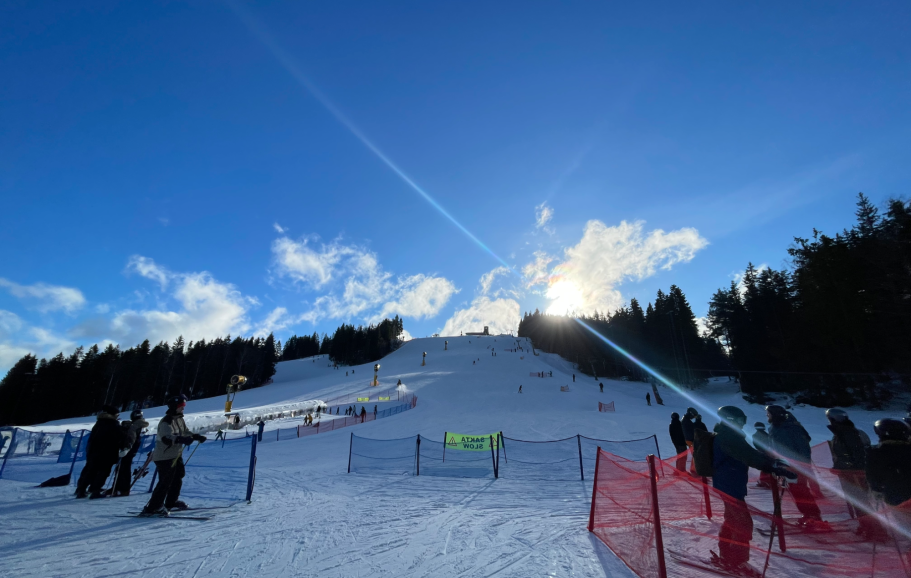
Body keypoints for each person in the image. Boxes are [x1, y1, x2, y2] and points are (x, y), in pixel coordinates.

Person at [712, 405, 791, 574]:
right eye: (741, 421)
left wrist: (771, 462)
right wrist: (771, 466)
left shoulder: (727, 433)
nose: (742, 424)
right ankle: (737, 561)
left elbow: (748, 451)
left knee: (732, 521)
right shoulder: (729, 435)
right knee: (743, 524)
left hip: (728, 484)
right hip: (730, 484)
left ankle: (727, 555)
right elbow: (747, 455)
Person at [140, 395, 206, 516]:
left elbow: (185, 432)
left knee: (178, 477)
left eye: (184, 406)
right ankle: (153, 507)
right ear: (174, 406)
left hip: (175, 455)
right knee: (165, 482)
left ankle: (171, 502)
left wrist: (195, 436)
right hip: (164, 457)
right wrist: (181, 439)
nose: (183, 408)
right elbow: (166, 438)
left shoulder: (179, 419)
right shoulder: (166, 421)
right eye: (181, 406)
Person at [766, 405, 823, 526]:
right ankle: (807, 514)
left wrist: (802, 466)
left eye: (769, 414)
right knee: (795, 491)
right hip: (784, 466)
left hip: (796, 466)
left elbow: (803, 448)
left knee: (801, 490)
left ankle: (814, 515)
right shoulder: (774, 428)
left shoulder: (791, 428)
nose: (767, 416)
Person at [75, 404, 132, 499]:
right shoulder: (113, 424)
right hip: (107, 453)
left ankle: (81, 489)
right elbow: (119, 438)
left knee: (90, 470)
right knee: (103, 472)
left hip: (93, 452)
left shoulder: (99, 423)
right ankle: (95, 490)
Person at [865, 418, 911, 510]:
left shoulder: (877, 453)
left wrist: (876, 489)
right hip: (905, 494)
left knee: (901, 520)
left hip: (894, 496)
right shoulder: (908, 449)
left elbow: (873, 475)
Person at [113, 409, 149, 496]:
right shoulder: (140, 424)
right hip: (132, 448)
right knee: (123, 467)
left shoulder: (135, 425)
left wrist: (126, 447)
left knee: (123, 467)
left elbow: (131, 437)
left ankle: (122, 488)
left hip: (129, 448)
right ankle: (119, 487)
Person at [751, 422, 774, 489]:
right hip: (767, 452)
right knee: (767, 466)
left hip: (764, 452)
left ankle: (765, 481)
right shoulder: (766, 435)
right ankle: (766, 481)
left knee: (765, 466)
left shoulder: (756, 435)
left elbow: (756, 445)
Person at [682, 408, 697, 475]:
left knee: (695, 455)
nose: (693, 418)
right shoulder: (686, 421)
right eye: (693, 416)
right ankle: (693, 470)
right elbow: (689, 432)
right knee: (695, 455)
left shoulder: (686, 420)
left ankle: (694, 469)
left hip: (690, 439)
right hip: (690, 440)